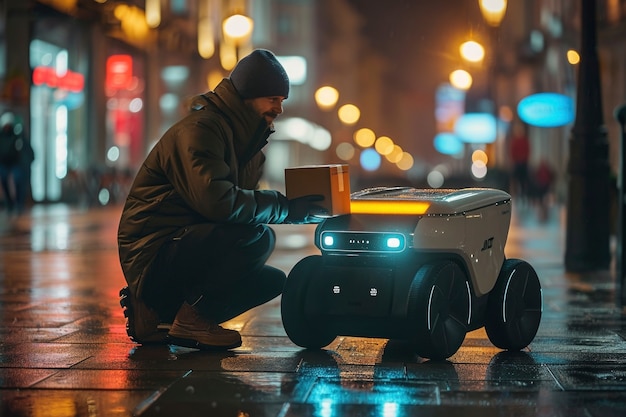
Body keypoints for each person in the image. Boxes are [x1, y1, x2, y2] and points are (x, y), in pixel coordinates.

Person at [118, 49, 325, 350]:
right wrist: (286, 208)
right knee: (257, 238)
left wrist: (291, 208)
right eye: (273, 99)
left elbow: (236, 209)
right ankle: (187, 316)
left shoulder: (250, 148)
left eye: (282, 101)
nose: (279, 109)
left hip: (184, 244)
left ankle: (158, 316)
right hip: (152, 250)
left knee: (270, 281)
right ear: (247, 96)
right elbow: (218, 203)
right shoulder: (201, 130)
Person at [0, 111, 34, 213]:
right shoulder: (2, 137)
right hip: (4, 163)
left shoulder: (17, 138)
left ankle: (19, 204)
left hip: (17, 165)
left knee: (20, 184)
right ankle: (11, 203)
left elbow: (27, 153)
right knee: (5, 181)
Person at [509, 121, 531, 202]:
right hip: (518, 163)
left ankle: (524, 195)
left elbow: (527, 151)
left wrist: (523, 159)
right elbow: (513, 152)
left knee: (523, 180)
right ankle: (516, 195)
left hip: (523, 163)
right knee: (515, 180)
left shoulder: (524, 141)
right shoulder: (515, 141)